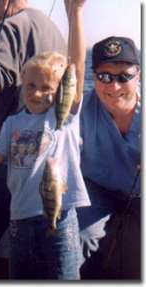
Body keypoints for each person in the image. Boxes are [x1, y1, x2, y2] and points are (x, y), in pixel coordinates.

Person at [0, 0, 89, 279]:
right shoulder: (13, 124)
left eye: (48, 88)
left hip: (58, 218)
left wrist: (76, 13)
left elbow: (76, 69)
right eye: (30, 85)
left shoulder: (62, 119)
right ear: (22, 81)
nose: (37, 93)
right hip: (20, 222)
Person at [77, 36, 141, 279]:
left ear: (139, 75)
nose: (114, 87)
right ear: (93, 77)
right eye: (105, 76)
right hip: (96, 190)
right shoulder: (81, 108)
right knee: (76, 237)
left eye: (124, 76)